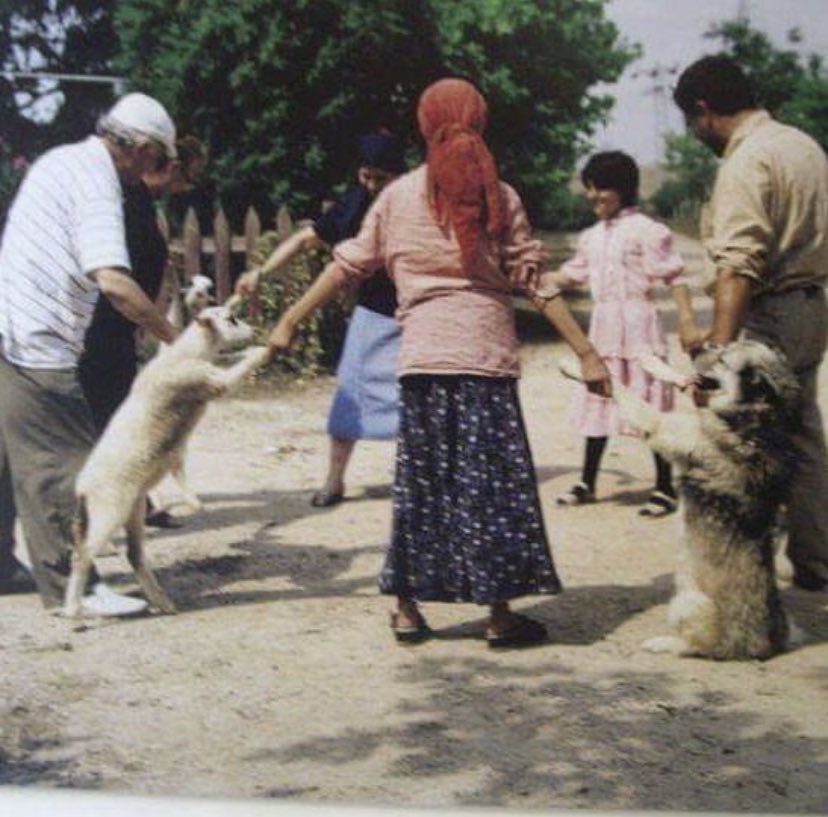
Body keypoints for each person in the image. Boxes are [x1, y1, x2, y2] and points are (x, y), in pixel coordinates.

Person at [265, 78, 611, 647]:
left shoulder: (397, 196)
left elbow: (346, 264)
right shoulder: (499, 195)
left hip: (423, 363)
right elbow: (536, 282)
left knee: (422, 485)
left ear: (425, 126)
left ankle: (407, 610)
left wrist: (289, 320)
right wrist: (588, 354)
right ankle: (499, 616)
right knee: (489, 487)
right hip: (484, 362)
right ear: (480, 122)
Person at [0, 92, 180, 616]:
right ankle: (74, 588)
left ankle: (4, 568)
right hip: (38, 340)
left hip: (10, 326)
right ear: (141, 148)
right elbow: (114, 283)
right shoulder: (99, 182)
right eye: (157, 159)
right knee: (66, 466)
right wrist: (175, 340)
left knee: (12, 461)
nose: (154, 171)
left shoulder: (61, 160)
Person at [673, 55, 828, 591]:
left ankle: (745, 571)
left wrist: (716, 356)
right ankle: (816, 559)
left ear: (704, 109)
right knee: (803, 434)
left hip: (772, 312)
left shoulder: (747, 160)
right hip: (811, 305)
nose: (695, 134)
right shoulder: (802, 145)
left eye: (691, 122)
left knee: (745, 445)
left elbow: (739, 266)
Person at [235, 133, 405, 508]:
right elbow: (303, 240)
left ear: (398, 174)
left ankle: (417, 479)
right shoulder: (355, 202)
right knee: (350, 393)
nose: (371, 185)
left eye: (380, 178)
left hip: (417, 313)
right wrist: (261, 273)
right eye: (366, 176)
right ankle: (334, 480)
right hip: (373, 312)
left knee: (418, 400)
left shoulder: (414, 203)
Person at [552, 151, 696, 516]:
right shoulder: (590, 237)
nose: (593, 197)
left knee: (650, 406)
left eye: (601, 190)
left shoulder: (648, 231)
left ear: (623, 190)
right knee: (598, 397)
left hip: (639, 329)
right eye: (589, 189)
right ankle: (587, 481)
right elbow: (569, 275)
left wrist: (687, 321)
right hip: (603, 330)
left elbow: (675, 277)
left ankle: (664, 486)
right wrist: (524, 275)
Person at [78, 135, 208, 529]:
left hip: (118, 330)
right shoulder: (126, 203)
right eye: (189, 178)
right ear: (172, 168)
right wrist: (171, 336)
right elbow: (114, 277)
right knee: (111, 422)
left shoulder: (141, 203)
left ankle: (135, 503)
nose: (186, 189)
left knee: (117, 418)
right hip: (101, 330)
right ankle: (103, 513)